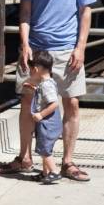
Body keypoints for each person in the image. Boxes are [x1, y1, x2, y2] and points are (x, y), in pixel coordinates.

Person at [0, 0, 96, 181]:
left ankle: (67, 162)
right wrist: (24, 43)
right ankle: (25, 157)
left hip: (67, 48)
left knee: (71, 102)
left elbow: (85, 11)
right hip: (37, 47)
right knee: (27, 101)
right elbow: (25, 13)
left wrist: (80, 47)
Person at [25, 51, 63, 184]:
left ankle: (54, 172)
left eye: (31, 70)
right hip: (48, 123)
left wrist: (41, 114)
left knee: (44, 150)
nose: (30, 72)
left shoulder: (46, 85)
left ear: (36, 69)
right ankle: (45, 172)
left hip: (48, 123)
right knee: (45, 147)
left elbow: (54, 103)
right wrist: (33, 88)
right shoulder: (47, 82)